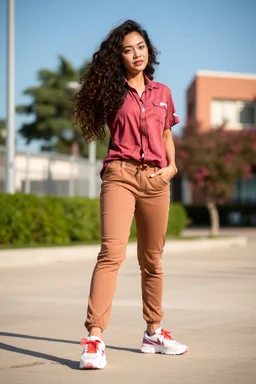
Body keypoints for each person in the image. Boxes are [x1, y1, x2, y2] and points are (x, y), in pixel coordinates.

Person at [73, 19, 188, 370]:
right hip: (120, 175)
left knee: (152, 260)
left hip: (156, 180)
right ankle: (94, 338)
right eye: (127, 49)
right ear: (118, 57)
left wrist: (171, 168)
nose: (136, 53)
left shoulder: (163, 93)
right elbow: (86, 107)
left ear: (148, 51)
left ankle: (153, 332)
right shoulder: (112, 92)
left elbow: (167, 136)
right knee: (111, 254)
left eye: (140, 47)